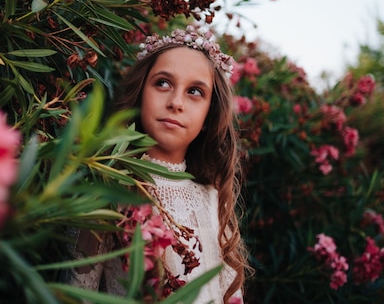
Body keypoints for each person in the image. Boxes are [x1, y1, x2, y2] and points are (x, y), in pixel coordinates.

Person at [65, 25, 248, 304]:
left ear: (209, 117)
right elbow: (77, 296)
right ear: (141, 94)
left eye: (195, 91)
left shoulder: (213, 197)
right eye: (163, 83)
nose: (175, 102)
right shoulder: (111, 188)